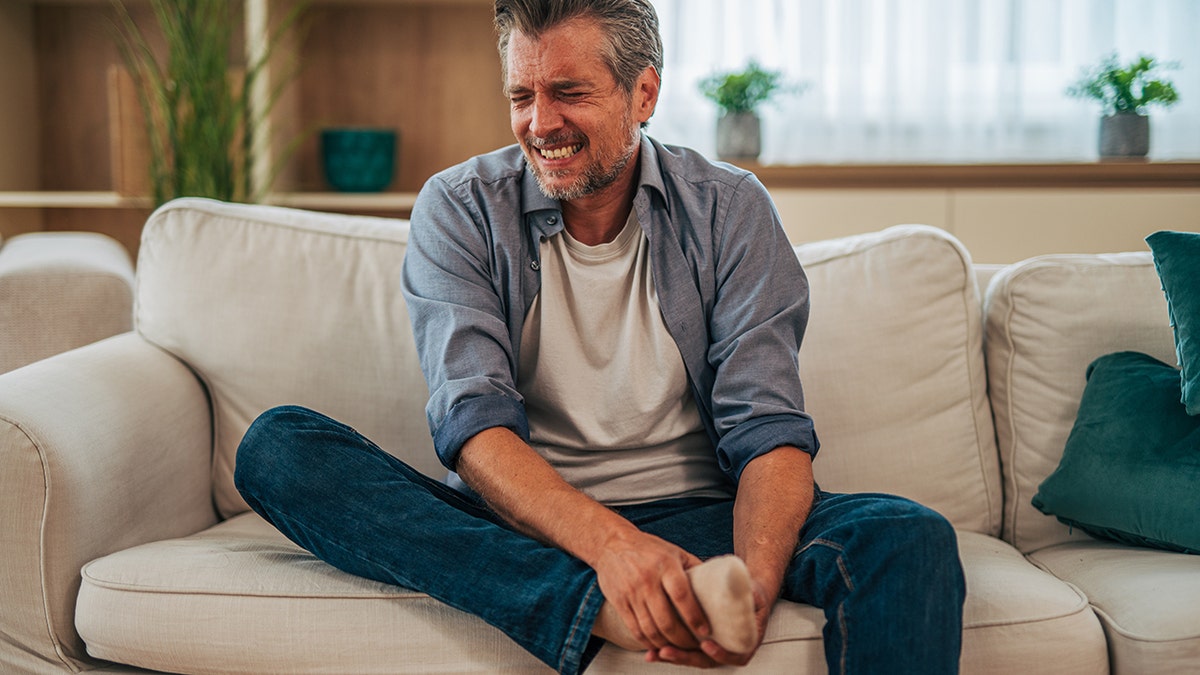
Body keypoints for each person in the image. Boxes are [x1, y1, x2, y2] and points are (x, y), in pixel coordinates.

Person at [233, 0, 967, 673]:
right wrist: (616, 551)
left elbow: (768, 430)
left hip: (700, 513)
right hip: (523, 523)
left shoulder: (729, 208)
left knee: (907, 534)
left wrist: (747, 590)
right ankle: (593, 607)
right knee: (278, 448)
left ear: (643, 93)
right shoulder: (459, 209)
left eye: (569, 92)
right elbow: (474, 427)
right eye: (522, 96)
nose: (539, 123)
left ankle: (606, 594)